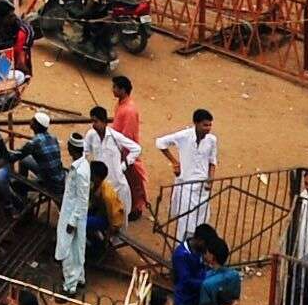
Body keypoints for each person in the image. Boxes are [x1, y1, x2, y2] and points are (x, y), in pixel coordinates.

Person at [156, 111, 219, 243]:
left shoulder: (211, 140)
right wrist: (174, 162)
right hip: (186, 186)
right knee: (184, 221)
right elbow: (160, 143)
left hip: (202, 188)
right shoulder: (183, 136)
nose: (208, 128)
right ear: (196, 123)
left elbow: (212, 161)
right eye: (205, 125)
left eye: (209, 125)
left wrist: (210, 180)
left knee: (200, 221)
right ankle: (181, 249)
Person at [83, 106, 139, 224]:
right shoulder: (91, 135)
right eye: (92, 121)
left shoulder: (115, 137)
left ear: (104, 121)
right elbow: (85, 153)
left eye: (96, 121)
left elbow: (136, 149)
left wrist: (123, 166)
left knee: (120, 217)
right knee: (103, 214)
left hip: (117, 184)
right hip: (101, 184)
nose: (93, 124)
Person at [56, 133, 92, 295]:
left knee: (68, 251)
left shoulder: (80, 171)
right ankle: (79, 278)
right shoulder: (82, 165)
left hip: (73, 216)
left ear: (72, 148)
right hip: (73, 214)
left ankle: (69, 287)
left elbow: (82, 199)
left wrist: (73, 221)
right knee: (77, 249)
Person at [111, 74, 149, 220]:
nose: (113, 90)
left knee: (133, 181)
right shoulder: (121, 104)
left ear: (122, 90)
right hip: (119, 148)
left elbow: (128, 135)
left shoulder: (129, 110)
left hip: (126, 151)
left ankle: (136, 208)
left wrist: (121, 152)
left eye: (115, 87)